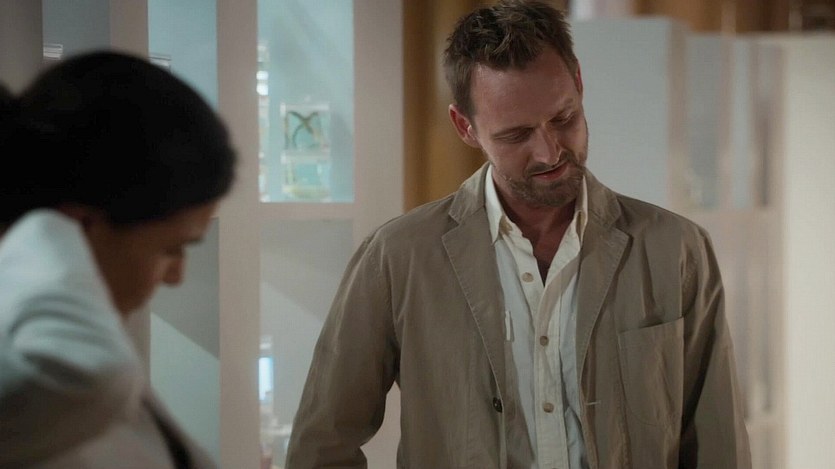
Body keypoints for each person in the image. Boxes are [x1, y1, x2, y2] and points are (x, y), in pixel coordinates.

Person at [285, 1, 751, 468]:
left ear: (579, 82)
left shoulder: (677, 250)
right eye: (516, 135)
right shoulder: (397, 258)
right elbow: (321, 447)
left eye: (564, 119)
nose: (549, 152)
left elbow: (720, 449)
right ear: (465, 127)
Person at [0, 50, 236, 468]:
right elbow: (86, 373)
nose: (176, 276)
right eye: (171, 248)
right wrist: (49, 225)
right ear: (78, 226)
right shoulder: (51, 373)